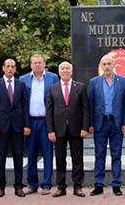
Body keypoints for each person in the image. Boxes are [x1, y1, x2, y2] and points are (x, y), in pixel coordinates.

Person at [88, 55, 125, 196]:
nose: (106, 66)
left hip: (116, 124)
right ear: (101, 66)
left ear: (114, 65)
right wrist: (91, 124)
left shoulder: (122, 81)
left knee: (116, 155)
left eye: (109, 64)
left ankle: (116, 185)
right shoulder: (94, 82)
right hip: (100, 124)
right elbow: (90, 105)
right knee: (99, 155)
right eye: (104, 64)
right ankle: (98, 184)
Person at [45, 61, 89, 198]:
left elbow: (85, 109)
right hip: (58, 130)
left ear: (72, 71)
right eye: (62, 69)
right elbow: (49, 111)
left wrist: (84, 127)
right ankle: (61, 186)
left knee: (77, 158)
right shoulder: (52, 88)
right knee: (60, 158)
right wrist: (50, 130)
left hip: (76, 129)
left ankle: (78, 186)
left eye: (67, 69)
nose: (65, 71)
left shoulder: (80, 87)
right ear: (59, 72)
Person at [0, 58, 30, 198]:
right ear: (3, 68)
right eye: (8, 66)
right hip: (1, 126)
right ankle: (0, 187)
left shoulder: (21, 84)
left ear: (15, 69)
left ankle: (18, 186)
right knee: (1, 157)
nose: (10, 69)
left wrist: (26, 125)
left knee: (18, 157)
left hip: (18, 126)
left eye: (13, 66)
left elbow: (25, 106)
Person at [19, 54, 59, 195]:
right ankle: (32, 183)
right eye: (35, 63)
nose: (37, 65)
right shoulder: (23, 80)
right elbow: (22, 103)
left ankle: (47, 183)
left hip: (46, 121)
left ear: (44, 64)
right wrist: (24, 124)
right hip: (30, 121)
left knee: (48, 153)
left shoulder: (53, 78)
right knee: (31, 153)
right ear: (31, 65)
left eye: (40, 62)